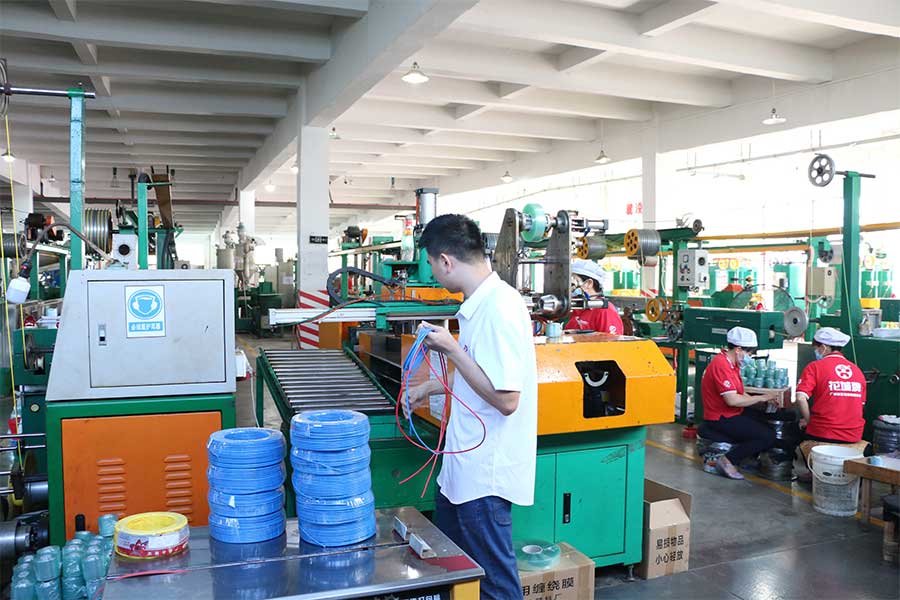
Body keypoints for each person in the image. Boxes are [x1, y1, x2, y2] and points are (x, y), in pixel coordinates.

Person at [404, 214, 538, 600]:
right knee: (453, 571)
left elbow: (507, 399)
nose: (433, 274)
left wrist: (451, 349)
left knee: (494, 584)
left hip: (484, 478)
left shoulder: (500, 308)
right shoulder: (479, 306)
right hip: (461, 470)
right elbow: (480, 373)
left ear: (446, 261)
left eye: (432, 264)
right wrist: (430, 387)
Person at [700, 326, 779, 480]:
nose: (750, 357)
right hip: (720, 417)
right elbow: (732, 400)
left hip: (731, 413)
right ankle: (728, 460)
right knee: (767, 436)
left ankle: (748, 457)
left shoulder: (732, 364)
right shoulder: (721, 365)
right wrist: (761, 398)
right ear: (738, 349)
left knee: (766, 421)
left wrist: (764, 401)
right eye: (749, 353)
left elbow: (739, 392)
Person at [795, 327, 867, 444]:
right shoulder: (857, 371)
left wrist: (808, 421)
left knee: (792, 431)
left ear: (824, 347)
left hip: (823, 433)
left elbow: (800, 398)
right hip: (854, 435)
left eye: (816, 348)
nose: (816, 352)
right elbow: (861, 405)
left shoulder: (815, 367)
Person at [566, 258, 624, 334]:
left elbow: (612, 341)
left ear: (588, 283)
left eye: (573, 284)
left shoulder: (604, 311)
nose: (570, 288)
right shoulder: (578, 307)